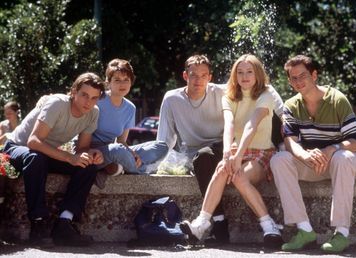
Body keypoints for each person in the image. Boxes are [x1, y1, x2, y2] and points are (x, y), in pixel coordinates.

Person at [179, 54, 284, 248]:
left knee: (238, 177)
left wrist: (235, 157)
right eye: (240, 72)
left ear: (258, 74)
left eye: (249, 72)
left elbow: (251, 126)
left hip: (261, 153)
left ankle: (269, 226)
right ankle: (201, 223)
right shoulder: (229, 95)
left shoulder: (266, 94)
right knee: (221, 168)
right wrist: (228, 154)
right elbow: (229, 124)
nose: (244, 76)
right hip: (238, 150)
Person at [270, 55, 356, 253]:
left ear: (314, 75)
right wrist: (305, 156)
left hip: (342, 163)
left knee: (343, 157)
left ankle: (341, 233)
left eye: (302, 76)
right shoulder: (291, 105)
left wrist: (331, 149)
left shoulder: (337, 100)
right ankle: (304, 230)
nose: (298, 82)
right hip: (313, 163)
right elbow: (290, 142)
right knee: (279, 159)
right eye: (293, 78)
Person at [2, 72, 106, 247]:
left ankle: (64, 224)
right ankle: (38, 223)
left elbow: (81, 149)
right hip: (17, 148)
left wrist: (92, 153)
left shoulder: (93, 113)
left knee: (87, 166)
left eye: (94, 98)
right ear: (74, 91)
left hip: (46, 153)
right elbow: (33, 141)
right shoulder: (57, 103)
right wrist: (68, 157)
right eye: (84, 95)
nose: (88, 102)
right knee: (35, 158)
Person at [157, 54, 230, 243]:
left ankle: (220, 223)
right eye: (194, 75)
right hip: (193, 153)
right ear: (185, 76)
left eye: (203, 75)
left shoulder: (222, 92)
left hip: (223, 147)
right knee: (201, 158)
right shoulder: (172, 99)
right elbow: (164, 139)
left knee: (204, 156)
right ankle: (220, 223)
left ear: (210, 77)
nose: (198, 80)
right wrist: (156, 163)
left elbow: (255, 91)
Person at [91, 58, 168, 189]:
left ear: (131, 82)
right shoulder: (98, 100)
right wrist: (123, 152)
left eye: (126, 80)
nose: (122, 84)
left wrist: (133, 154)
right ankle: (139, 171)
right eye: (117, 80)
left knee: (161, 146)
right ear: (108, 82)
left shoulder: (130, 108)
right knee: (117, 151)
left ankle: (122, 167)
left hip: (116, 149)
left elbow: (121, 141)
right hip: (94, 151)